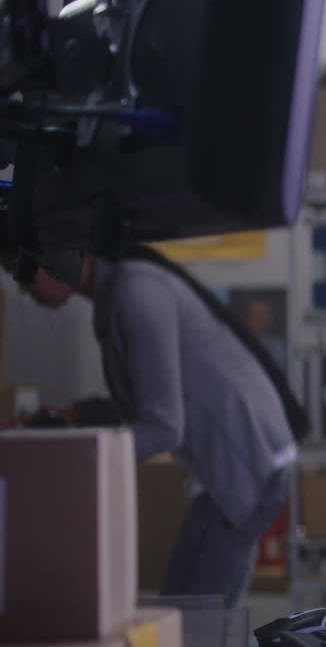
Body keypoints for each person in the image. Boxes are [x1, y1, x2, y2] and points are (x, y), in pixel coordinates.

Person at [1, 242, 308, 607]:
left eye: (20, 272)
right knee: (188, 613)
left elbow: (163, 429)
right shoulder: (119, 293)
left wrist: (70, 458)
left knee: (191, 624)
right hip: (241, 458)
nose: (21, 287)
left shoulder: (137, 291)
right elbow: (148, 401)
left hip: (245, 460)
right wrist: (74, 417)